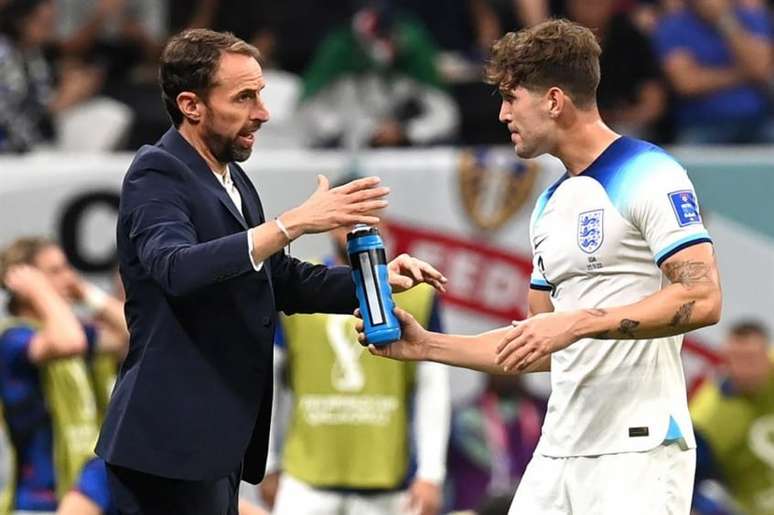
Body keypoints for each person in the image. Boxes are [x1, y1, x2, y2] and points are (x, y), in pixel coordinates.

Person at [357, 19, 723, 514]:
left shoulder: (650, 173)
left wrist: (577, 322)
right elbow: (536, 345)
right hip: (558, 447)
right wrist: (425, 345)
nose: (504, 114)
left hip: (637, 449)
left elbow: (702, 298)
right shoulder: (550, 203)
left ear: (553, 100)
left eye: (512, 98)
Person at [94, 28, 446, 515]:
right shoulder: (157, 171)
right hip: (168, 444)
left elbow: (278, 278)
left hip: (216, 442)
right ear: (191, 105)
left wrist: (373, 282)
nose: (263, 112)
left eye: (259, 94)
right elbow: (174, 268)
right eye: (244, 97)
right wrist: (294, 222)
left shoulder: (233, 177)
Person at [260, 211, 450, 515]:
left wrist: (431, 474)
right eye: (347, 219)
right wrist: (268, 464)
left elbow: (432, 388)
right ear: (330, 226)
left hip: (386, 478)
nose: (357, 227)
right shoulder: (300, 288)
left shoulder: (416, 293)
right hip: (305, 478)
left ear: (385, 226)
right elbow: (267, 379)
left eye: (370, 217)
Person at [0, 237, 128, 514]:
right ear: (26, 283)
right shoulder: (14, 339)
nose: (69, 277)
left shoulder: (79, 331)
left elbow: (132, 336)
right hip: (41, 503)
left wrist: (87, 294)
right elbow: (69, 342)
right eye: (56, 271)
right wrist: (39, 292)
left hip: (89, 493)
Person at [653, 0, 774, 143]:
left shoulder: (754, 19)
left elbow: (761, 69)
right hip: (702, 125)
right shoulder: (673, 27)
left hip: (758, 122)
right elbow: (687, 84)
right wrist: (743, 73)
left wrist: (725, 22)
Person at [690, 320, 774, 515]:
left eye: (752, 359)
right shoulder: (706, 418)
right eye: (735, 360)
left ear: (767, 355)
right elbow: (697, 482)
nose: (745, 369)